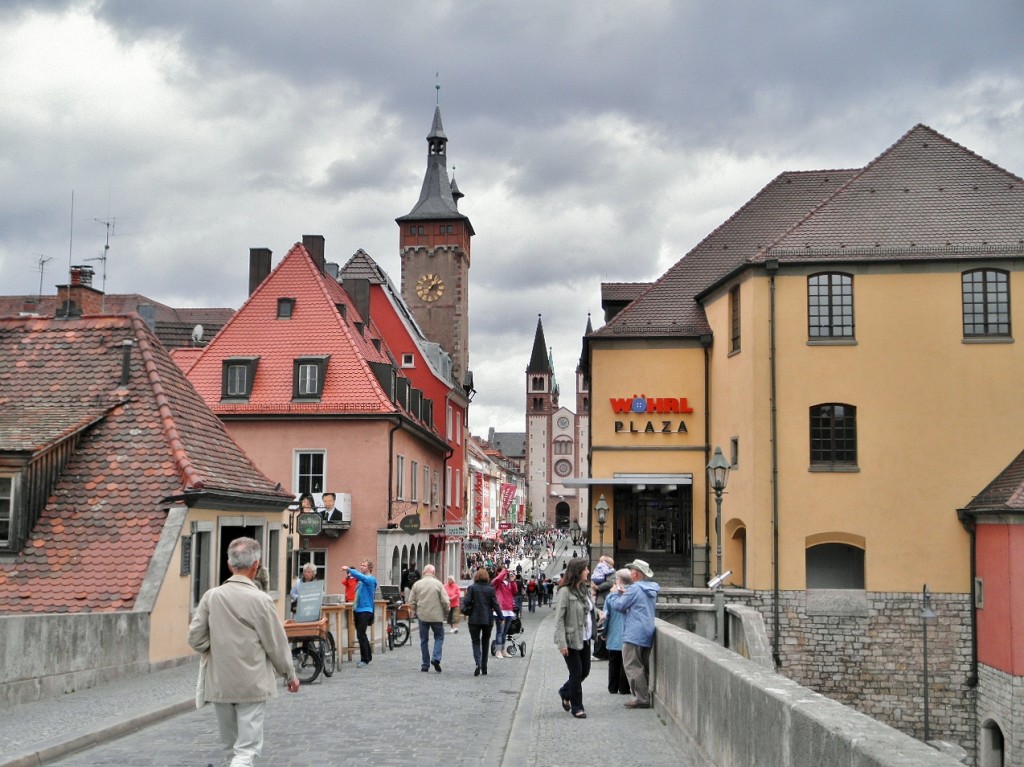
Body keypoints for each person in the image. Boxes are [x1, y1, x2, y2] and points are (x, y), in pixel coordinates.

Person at [188, 537, 299, 767]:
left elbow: (195, 638)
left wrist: (218, 647)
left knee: (231, 748)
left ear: (230, 565)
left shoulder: (212, 596)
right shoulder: (261, 600)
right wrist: (289, 674)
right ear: (256, 565)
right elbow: (275, 643)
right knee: (246, 750)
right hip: (252, 682)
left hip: (220, 682)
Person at [607, 558, 661, 709]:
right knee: (643, 664)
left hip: (634, 632)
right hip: (647, 630)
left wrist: (614, 594)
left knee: (632, 665)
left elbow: (619, 606)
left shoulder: (635, 589)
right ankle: (645, 694)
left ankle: (641, 698)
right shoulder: (650, 589)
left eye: (632, 571)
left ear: (636, 574)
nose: (630, 573)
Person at [553, 557, 593, 719]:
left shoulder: (584, 589)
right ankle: (577, 707)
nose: (588, 572)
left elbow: (587, 609)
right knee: (576, 673)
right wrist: (562, 643)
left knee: (585, 671)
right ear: (578, 572)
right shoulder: (564, 592)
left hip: (585, 637)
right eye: (585, 569)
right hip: (570, 639)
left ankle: (565, 691)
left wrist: (599, 614)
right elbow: (559, 619)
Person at [408, 564, 449, 672]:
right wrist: (446, 612)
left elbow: (411, 601)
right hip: (437, 616)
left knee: (424, 640)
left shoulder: (417, 584)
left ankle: (425, 664)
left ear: (423, 573)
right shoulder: (438, 584)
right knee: (439, 637)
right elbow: (445, 601)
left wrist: (415, 610)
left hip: (423, 616)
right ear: (434, 573)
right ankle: (436, 657)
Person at [461, 567, 502, 676]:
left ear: (476, 577)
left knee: (475, 642)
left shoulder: (472, 588)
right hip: (487, 619)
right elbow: (495, 604)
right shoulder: (490, 589)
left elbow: (465, 602)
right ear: (487, 577)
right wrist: (501, 617)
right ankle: (484, 667)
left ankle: (477, 662)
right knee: (485, 643)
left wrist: (464, 610)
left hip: (474, 619)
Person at [602, 568, 634, 695]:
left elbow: (605, 616)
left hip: (614, 634)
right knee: (625, 662)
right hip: (628, 634)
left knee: (614, 661)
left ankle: (612, 687)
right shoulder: (632, 593)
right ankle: (624, 687)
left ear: (619, 580)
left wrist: (604, 633)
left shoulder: (611, 596)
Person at [341, 560, 377, 667]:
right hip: (358, 609)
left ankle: (365, 659)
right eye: (361, 565)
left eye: (364, 565)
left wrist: (349, 569)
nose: (361, 567)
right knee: (361, 634)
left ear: (369, 568)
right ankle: (367, 656)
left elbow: (362, 577)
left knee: (361, 634)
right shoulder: (360, 582)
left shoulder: (370, 579)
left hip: (366, 610)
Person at [491, 568, 517, 658]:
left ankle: (503, 650)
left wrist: (513, 581)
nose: (506, 575)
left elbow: (515, 591)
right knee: (500, 632)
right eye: (504, 574)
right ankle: (498, 651)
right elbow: (497, 579)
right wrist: (505, 570)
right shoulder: (498, 583)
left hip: (509, 610)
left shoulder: (509, 583)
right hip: (500, 610)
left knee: (505, 632)